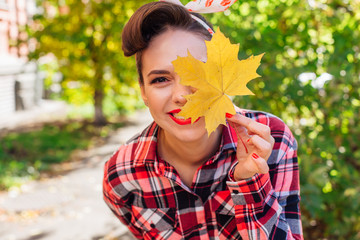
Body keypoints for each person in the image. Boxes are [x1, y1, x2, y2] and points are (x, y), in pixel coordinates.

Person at [103, 1, 303, 239]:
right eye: (160, 80)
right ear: (143, 91)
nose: (182, 96)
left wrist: (250, 183)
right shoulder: (121, 176)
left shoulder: (272, 140)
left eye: (198, 74)